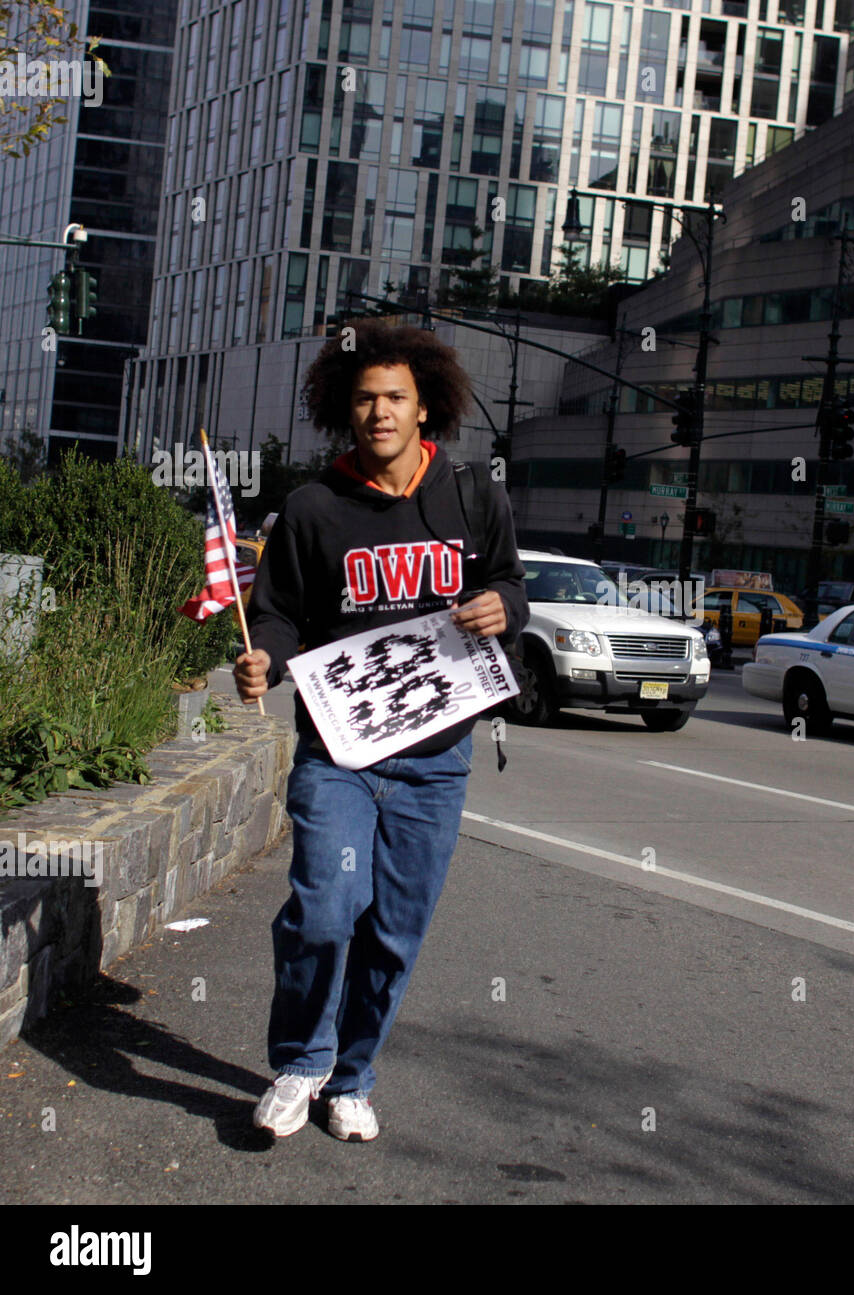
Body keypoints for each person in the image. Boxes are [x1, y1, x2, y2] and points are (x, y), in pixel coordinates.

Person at [234, 320, 526, 1142]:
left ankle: (353, 1077)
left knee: (394, 934)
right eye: (364, 399)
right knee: (326, 908)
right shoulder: (313, 506)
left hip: (435, 761)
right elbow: (280, 613)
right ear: (343, 410)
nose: (380, 412)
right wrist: (264, 660)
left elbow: (511, 583)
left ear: (425, 405)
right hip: (341, 754)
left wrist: (505, 607)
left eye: (395, 396)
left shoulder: (475, 495)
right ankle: (301, 1061)